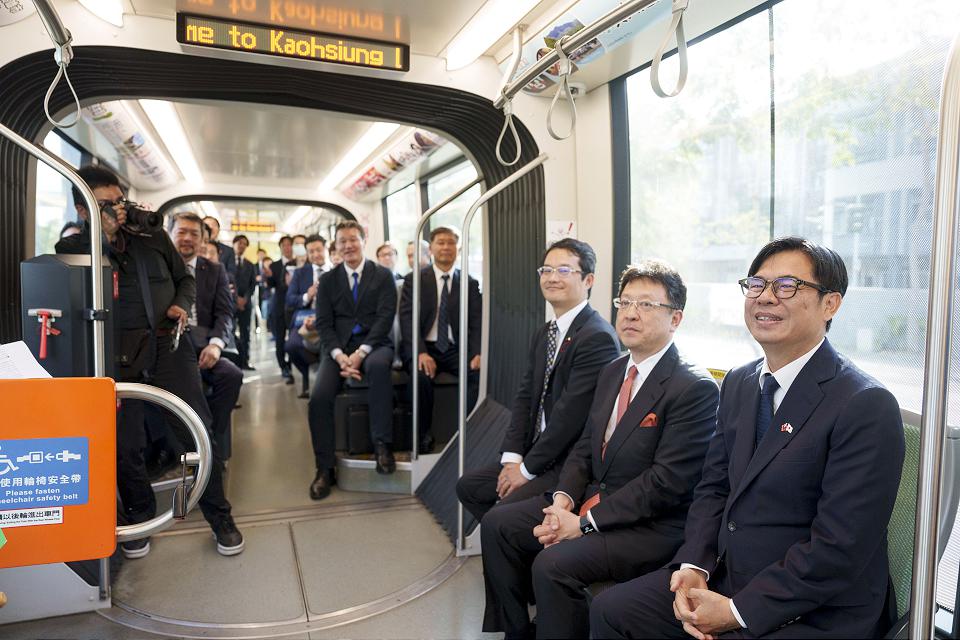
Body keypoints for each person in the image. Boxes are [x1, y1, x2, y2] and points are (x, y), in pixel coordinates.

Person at [590, 237, 906, 640]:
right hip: (728, 575)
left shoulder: (864, 403)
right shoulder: (740, 381)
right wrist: (695, 565)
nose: (765, 297)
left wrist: (737, 611)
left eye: (787, 286)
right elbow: (713, 487)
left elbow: (839, 547)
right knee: (612, 611)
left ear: (830, 304)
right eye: (756, 284)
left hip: (813, 607)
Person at [479, 260, 719, 639]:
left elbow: (664, 483)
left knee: (552, 564)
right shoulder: (614, 370)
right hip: (593, 500)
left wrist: (584, 523)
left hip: (651, 525)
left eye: (646, 305)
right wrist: (562, 500)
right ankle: (517, 631)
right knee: (499, 525)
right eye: (625, 303)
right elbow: (585, 446)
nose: (631, 314)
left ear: (676, 319)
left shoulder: (693, 387)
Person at [56, 166, 243, 558]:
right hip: (115, 355)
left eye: (119, 202)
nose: (118, 211)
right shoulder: (73, 248)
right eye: (105, 205)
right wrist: (105, 238)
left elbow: (185, 280)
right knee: (126, 444)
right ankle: (139, 517)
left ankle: (220, 516)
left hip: (167, 345)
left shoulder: (152, 236)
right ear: (83, 209)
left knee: (197, 432)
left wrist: (181, 304)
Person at [456, 238, 620, 523]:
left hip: (566, 461)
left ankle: (523, 540)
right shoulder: (546, 333)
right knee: (469, 487)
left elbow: (569, 418)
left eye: (564, 270)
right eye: (546, 270)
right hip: (536, 450)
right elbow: (525, 398)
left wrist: (525, 470)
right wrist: (512, 458)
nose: (552, 277)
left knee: (498, 519)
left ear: (588, 280)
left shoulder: (597, 337)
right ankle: (523, 543)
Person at [308, 221, 398, 499]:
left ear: (363, 241)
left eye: (352, 240)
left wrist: (361, 354)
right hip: (338, 348)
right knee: (318, 397)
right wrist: (340, 356)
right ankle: (325, 468)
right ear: (336, 246)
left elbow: (385, 318)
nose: (348, 246)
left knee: (379, 368)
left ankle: (382, 445)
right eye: (342, 242)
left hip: (375, 343)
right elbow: (324, 323)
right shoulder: (328, 280)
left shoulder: (382, 275)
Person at [398, 226, 481, 453]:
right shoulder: (415, 280)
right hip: (424, 346)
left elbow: (476, 322)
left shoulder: (469, 283)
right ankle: (422, 436)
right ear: (431, 249)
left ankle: (467, 435)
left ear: (458, 248)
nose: (446, 247)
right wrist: (420, 352)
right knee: (420, 379)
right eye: (441, 242)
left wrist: (476, 352)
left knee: (478, 376)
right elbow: (407, 319)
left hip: (455, 348)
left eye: (451, 243)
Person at [170, 213, 244, 461]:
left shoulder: (214, 270)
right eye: (182, 232)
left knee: (232, 375)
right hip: (169, 348)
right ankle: (194, 445)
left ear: (203, 240)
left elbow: (225, 312)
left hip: (203, 346)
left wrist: (215, 345)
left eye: (194, 234)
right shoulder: (159, 269)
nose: (187, 238)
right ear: (170, 235)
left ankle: (210, 439)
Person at [285, 234, 327, 397]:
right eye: (311, 252)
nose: (316, 255)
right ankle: (309, 370)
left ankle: (322, 373)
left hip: (329, 320)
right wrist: (307, 296)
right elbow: (290, 299)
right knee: (292, 346)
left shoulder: (337, 269)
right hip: (306, 319)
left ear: (325, 249)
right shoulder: (301, 273)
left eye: (318, 250)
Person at [267, 235, 296, 382]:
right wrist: (268, 277)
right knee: (280, 338)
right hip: (279, 305)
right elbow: (271, 285)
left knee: (293, 337)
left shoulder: (298, 263)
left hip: (294, 306)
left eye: (289, 245)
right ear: (280, 248)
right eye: (284, 245)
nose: (287, 248)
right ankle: (283, 366)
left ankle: (291, 364)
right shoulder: (274, 266)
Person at [232, 234, 257, 370]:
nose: (241, 246)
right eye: (239, 243)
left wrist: (244, 299)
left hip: (245, 304)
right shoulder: (227, 263)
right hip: (230, 303)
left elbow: (252, 285)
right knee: (229, 331)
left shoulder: (250, 265)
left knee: (245, 333)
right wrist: (236, 299)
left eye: (244, 244)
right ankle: (232, 359)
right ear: (234, 244)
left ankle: (245, 360)